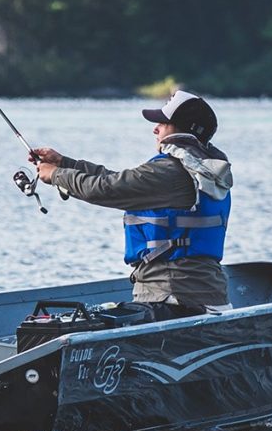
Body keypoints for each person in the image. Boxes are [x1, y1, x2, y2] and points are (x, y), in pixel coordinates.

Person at [27, 88, 231, 321]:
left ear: (182, 130)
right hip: (205, 297)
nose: (155, 129)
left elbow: (106, 188)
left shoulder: (169, 172)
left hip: (172, 299)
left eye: (162, 124)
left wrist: (57, 175)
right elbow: (118, 180)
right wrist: (64, 163)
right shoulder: (206, 170)